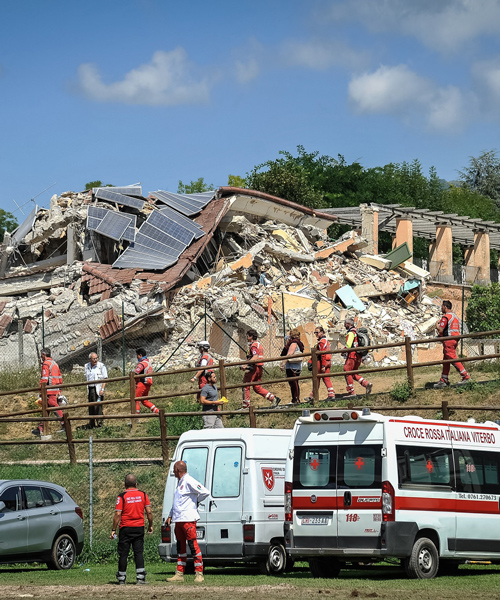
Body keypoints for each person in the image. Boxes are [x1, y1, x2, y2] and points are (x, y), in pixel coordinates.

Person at [166, 461, 210, 583]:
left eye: (174, 469)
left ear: (178, 470)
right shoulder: (180, 483)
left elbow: (205, 492)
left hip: (188, 519)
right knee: (181, 547)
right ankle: (179, 573)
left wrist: (195, 502)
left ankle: (199, 573)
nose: (173, 472)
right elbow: (178, 502)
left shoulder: (189, 480)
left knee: (193, 546)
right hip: (178, 519)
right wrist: (170, 515)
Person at [111, 473, 153, 586]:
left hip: (125, 528)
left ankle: (121, 578)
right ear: (136, 484)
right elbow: (149, 511)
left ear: (124, 484)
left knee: (123, 553)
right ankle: (140, 578)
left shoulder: (122, 496)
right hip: (139, 527)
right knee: (138, 552)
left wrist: (113, 529)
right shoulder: (143, 495)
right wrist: (150, 525)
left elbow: (118, 514)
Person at [434, 300, 471, 389]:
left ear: (445, 307)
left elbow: (441, 330)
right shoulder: (455, 317)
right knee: (446, 359)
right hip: (454, 339)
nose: (441, 308)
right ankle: (444, 379)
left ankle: (465, 376)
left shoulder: (445, 317)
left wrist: (436, 325)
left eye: (442, 306)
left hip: (448, 340)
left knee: (452, 357)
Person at [240, 329, 281, 410]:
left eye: (247, 336)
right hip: (259, 368)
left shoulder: (254, 345)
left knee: (245, 385)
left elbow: (255, 356)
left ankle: (246, 406)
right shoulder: (258, 344)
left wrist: (245, 364)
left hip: (254, 368)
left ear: (251, 336)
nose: (246, 338)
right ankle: (273, 398)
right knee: (257, 387)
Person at [32, 348, 64, 437]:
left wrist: (41, 390)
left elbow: (44, 378)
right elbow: (59, 376)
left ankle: (64, 423)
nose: (41, 357)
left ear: (44, 354)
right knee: (47, 406)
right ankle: (40, 428)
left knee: (52, 404)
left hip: (49, 389)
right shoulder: (55, 364)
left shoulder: (46, 364)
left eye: (41, 355)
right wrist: (59, 389)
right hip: (55, 388)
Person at [342, 318, 373, 397]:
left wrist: (343, 350)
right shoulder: (357, 332)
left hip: (352, 355)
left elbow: (348, 345)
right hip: (358, 355)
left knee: (347, 371)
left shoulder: (351, 333)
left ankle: (351, 392)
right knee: (354, 373)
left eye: (345, 324)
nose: (344, 325)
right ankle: (366, 384)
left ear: (348, 324)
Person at [306, 326, 336, 402]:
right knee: (326, 378)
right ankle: (331, 394)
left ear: (322, 332)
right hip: (328, 360)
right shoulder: (325, 340)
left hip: (322, 362)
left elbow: (322, 354)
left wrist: (323, 365)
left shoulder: (321, 342)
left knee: (317, 378)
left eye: (317, 332)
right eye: (315, 332)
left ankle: (313, 395)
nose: (316, 334)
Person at [84, 352, 108, 428]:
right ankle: (91, 423)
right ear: (90, 359)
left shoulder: (101, 366)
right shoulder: (86, 366)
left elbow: (105, 378)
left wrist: (102, 389)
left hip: (97, 388)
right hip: (90, 388)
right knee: (90, 406)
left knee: (97, 406)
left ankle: (100, 424)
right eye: (93, 358)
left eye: (96, 358)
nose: (95, 360)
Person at [280, 329, 304, 404]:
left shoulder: (293, 343)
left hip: (292, 366)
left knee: (293, 383)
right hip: (296, 366)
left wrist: (283, 363)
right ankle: (295, 398)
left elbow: (289, 354)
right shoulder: (298, 342)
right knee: (294, 382)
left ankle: (295, 399)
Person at [134, 348, 159, 414]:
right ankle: (157, 411)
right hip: (148, 383)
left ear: (140, 355)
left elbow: (135, 373)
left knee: (135, 400)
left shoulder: (141, 364)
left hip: (141, 383)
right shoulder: (149, 363)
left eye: (137, 356)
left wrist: (135, 382)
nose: (137, 357)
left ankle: (135, 418)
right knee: (144, 401)